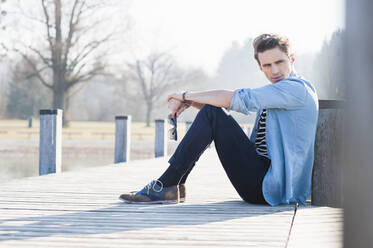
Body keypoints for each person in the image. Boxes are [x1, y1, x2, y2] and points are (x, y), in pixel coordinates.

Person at [119, 33, 318, 206]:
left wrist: (185, 95)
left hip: (270, 189)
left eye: (279, 62)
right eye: (267, 65)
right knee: (212, 113)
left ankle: (168, 184)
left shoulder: (296, 89)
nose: (274, 70)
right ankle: (172, 185)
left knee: (212, 113)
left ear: (291, 59)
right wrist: (190, 103)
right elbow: (216, 114)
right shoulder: (279, 92)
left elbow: (236, 99)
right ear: (260, 67)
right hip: (262, 178)